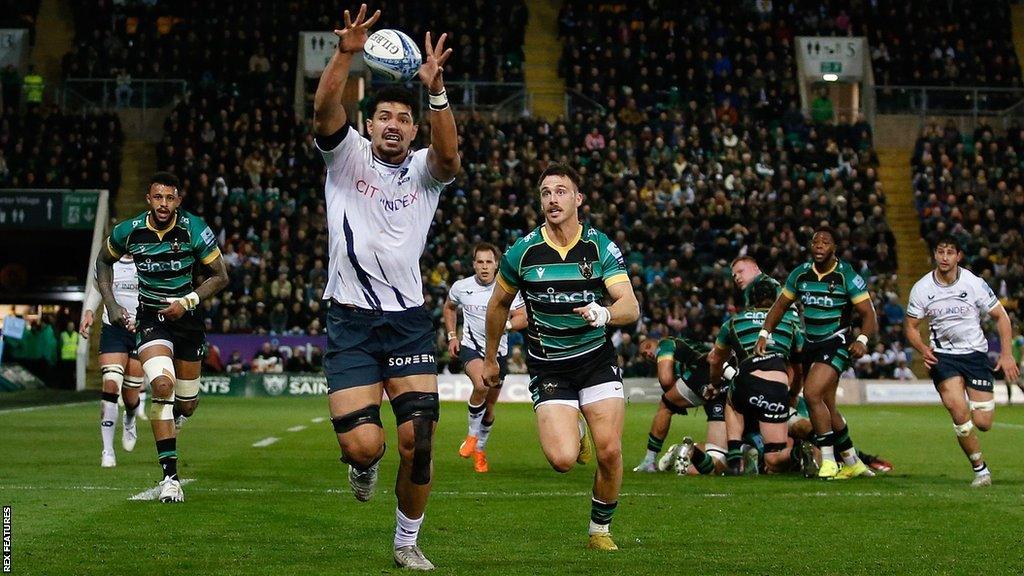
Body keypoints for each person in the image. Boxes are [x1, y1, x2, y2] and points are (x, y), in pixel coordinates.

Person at [312, 4, 459, 570]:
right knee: (364, 444)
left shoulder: (425, 170)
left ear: (412, 128)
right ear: (368, 125)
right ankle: (363, 465)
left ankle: (405, 542)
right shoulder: (345, 159)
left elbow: (450, 158)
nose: (394, 124)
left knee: (419, 439)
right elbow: (325, 109)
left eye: (403, 117)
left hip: (407, 322)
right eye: (385, 117)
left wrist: (437, 93)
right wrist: (347, 53)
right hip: (349, 321)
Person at [483, 163, 639, 551]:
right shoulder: (522, 251)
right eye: (546, 193)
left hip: (596, 360)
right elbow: (498, 305)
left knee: (611, 450)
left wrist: (604, 313)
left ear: (578, 199)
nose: (553, 199)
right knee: (563, 459)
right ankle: (576, 431)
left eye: (561, 191)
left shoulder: (600, 247)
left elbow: (630, 306)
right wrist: (490, 358)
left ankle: (599, 530)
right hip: (549, 365)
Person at [96, 171, 229, 503]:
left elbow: (220, 275)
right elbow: (102, 261)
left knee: (187, 403)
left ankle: (176, 417)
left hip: (187, 320)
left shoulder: (193, 228)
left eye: (170, 198)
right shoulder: (129, 231)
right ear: (148, 199)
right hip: (151, 319)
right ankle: (171, 478)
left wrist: (186, 302)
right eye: (158, 197)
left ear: (178, 201)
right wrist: (110, 302)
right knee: (162, 387)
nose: (164, 204)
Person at [755, 226, 878, 479]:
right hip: (812, 344)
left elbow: (869, 314)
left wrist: (862, 339)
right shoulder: (801, 274)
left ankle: (829, 461)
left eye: (825, 242)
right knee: (828, 407)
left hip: (837, 341)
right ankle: (853, 461)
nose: (819, 245)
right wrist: (764, 333)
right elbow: (780, 306)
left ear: (834, 248)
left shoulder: (846, 275)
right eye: (815, 242)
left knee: (811, 394)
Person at [904, 235, 1020, 487]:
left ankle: (978, 447)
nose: (944, 257)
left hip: (975, 356)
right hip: (944, 357)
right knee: (958, 411)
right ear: (934, 255)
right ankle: (980, 470)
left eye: (949, 252)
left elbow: (1001, 317)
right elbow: (911, 326)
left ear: (958, 256)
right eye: (940, 252)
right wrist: (922, 347)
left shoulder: (974, 284)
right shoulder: (922, 288)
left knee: (983, 423)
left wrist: (1007, 354)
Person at [443, 242, 527, 473]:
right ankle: (471, 436)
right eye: (480, 262)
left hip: (499, 352)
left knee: (489, 408)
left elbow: (523, 317)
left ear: (497, 264)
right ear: (473, 264)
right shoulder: (462, 287)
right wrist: (452, 336)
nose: (484, 267)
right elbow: (449, 308)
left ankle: (480, 449)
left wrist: (506, 324)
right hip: (472, 348)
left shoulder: (508, 288)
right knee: (480, 384)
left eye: (489, 262)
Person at [710, 277, 805, 474]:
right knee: (773, 458)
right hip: (778, 386)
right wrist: (793, 394)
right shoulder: (790, 324)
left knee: (731, 399)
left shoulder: (734, 322)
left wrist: (714, 382)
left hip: (747, 381)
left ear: (750, 299)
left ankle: (735, 454)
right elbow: (798, 368)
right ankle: (798, 453)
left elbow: (716, 360)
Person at [632, 336, 733, 476]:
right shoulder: (687, 343)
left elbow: (666, 380)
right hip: (723, 376)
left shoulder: (665, 344)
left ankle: (650, 460)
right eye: (644, 355)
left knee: (665, 406)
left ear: (656, 341)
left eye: (648, 347)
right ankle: (687, 450)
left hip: (701, 372)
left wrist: (674, 400)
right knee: (717, 452)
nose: (648, 354)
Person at [80, 254, 145, 467]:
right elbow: (97, 289)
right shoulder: (107, 262)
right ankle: (107, 450)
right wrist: (89, 312)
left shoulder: (147, 260)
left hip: (139, 330)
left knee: (131, 395)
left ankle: (130, 419)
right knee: (110, 384)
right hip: (113, 330)